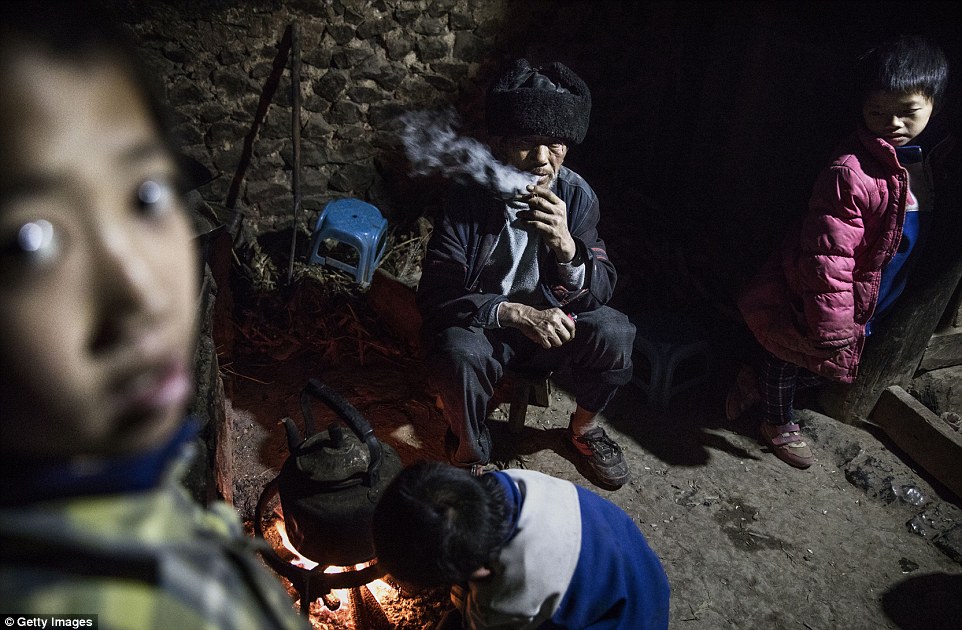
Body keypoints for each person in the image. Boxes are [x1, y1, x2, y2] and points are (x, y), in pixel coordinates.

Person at [0, 4, 308, 628]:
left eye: (147, 194)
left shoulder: (131, 498)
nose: (138, 291)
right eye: (30, 241)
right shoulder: (80, 607)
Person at [728, 36, 953, 469]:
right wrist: (831, 323)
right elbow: (827, 256)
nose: (892, 123)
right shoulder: (851, 172)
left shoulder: (930, 159)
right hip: (822, 293)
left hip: (872, 294)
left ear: (934, 106)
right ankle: (775, 421)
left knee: (814, 360)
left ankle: (753, 381)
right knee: (790, 354)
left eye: (908, 112)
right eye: (876, 112)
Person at [416, 58, 636, 487]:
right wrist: (515, 313)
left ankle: (584, 431)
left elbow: (601, 290)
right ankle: (469, 452)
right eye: (526, 142)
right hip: (490, 326)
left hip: (555, 326)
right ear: (499, 143)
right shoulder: (468, 196)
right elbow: (436, 294)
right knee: (457, 351)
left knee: (617, 332)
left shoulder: (576, 196)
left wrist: (567, 247)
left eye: (555, 143)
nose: (541, 158)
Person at [371, 460, 670, 629]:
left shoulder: (504, 602)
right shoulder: (511, 483)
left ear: (477, 571)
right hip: (638, 574)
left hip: (629, 618)